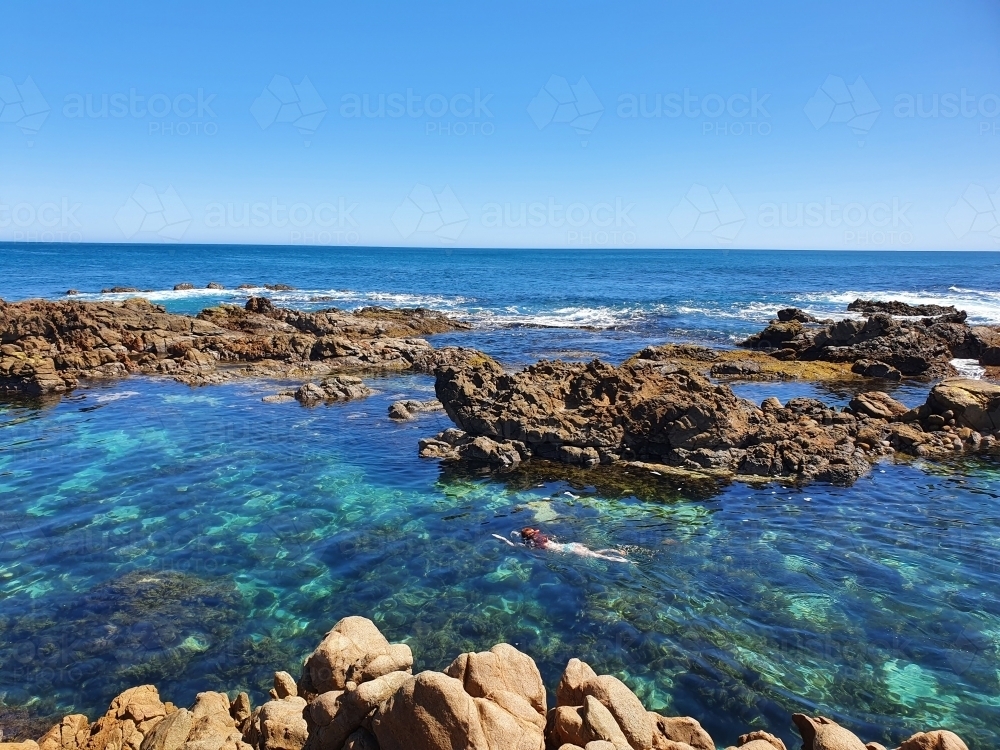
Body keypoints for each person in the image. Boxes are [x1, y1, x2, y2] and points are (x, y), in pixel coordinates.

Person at [492, 527, 629, 563]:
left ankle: (624, 561)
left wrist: (501, 538)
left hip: (570, 552)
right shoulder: (541, 536)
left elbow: (512, 545)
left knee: (599, 557)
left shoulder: (530, 545)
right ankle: (616, 551)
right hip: (571, 545)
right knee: (595, 552)